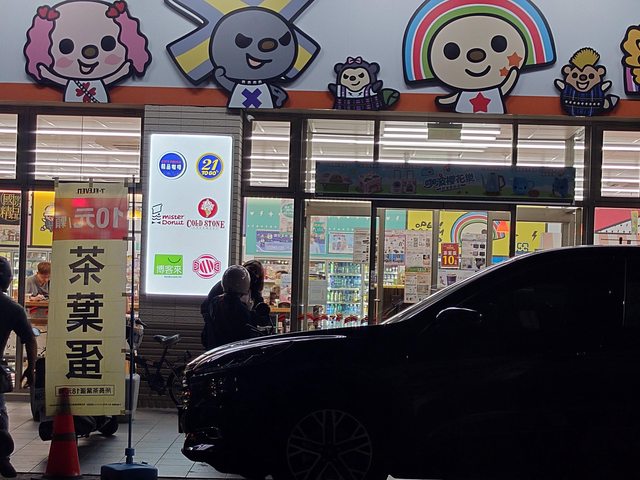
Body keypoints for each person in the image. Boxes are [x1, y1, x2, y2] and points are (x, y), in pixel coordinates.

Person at [0, 257, 37, 478]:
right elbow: (30, 339)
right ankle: (2, 458)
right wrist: (31, 368)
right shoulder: (12, 308)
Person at [201, 265, 273, 350]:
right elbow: (247, 328)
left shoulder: (215, 301)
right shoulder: (239, 307)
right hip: (232, 350)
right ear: (246, 283)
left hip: (215, 348)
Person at [200, 260, 266, 324]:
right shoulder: (224, 285)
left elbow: (261, 317)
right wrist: (211, 324)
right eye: (251, 268)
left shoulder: (255, 293)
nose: (252, 273)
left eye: (256, 272)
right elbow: (206, 306)